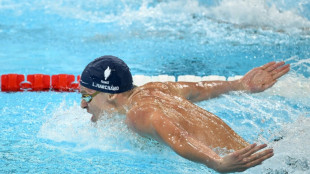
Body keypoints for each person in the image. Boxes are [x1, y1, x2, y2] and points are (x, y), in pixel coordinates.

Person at [80, 55, 290, 173]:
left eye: (87, 96)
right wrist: (238, 84)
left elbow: (178, 137)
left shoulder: (138, 115)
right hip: (259, 154)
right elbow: (199, 88)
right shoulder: (155, 89)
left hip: (247, 166)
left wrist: (217, 162)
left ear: (111, 95)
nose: (82, 104)